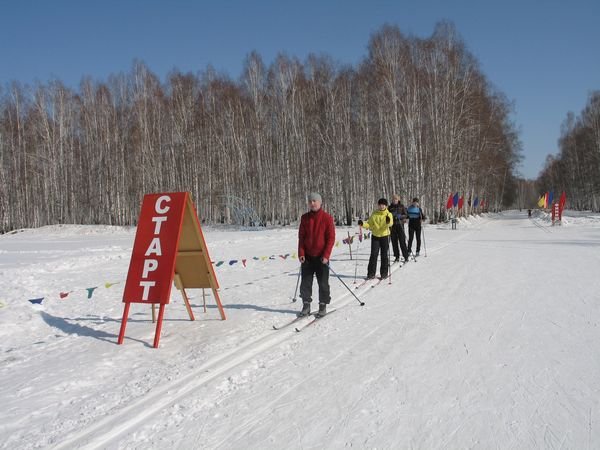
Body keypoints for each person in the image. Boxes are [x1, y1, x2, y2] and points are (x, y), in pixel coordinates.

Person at [298, 192, 336, 317]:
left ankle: (323, 304)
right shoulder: (305, 218)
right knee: (305, 282)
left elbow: (331, 238)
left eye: (315, 201)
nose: (312, 203)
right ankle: (306, 304)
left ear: (320, 203)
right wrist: (301, 253)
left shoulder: (327, 218)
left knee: (323, 283)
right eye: (310, 201)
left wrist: (326, 255)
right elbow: (301, 237)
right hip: (307, 257)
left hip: (321, 258)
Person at [358, 198, 393, 279]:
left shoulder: (388, 214)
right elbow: (369, 224)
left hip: (385, 236)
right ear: (378, 205)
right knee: (373, 254)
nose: (381, 206)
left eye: (383, 205)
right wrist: (362, 223)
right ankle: (371, 273)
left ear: (386, 206)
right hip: (375, 236)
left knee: (384, 255)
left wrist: (388, 222)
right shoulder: (374, 214)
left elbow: (390, 223)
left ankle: (384, 273)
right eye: (380, 205)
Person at [388, 194, 409, 263]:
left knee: (402, 241)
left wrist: (401, 216)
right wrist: (391, 217)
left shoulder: (401, 206)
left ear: (398, 200)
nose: (395, 200)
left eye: (396, 199)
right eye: (394, 199)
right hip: (392, 226)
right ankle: (396, 256)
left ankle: (405, 256)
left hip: (400, 225)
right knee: (394, 242)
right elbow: (387, 216)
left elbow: (406, 215)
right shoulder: (390, 207)